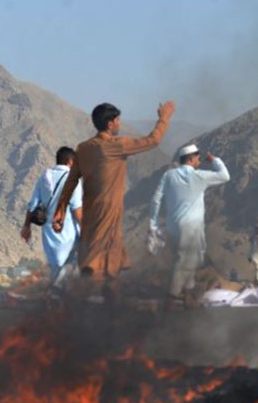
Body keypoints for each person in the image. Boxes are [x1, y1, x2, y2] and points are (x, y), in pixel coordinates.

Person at [53, 101, 175, 306]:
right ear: (110, 124)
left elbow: (70, 182)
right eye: (117, 120)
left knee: (103, 263)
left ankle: (103, 308)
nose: (119, 123)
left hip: (91, 214)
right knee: (101, 267)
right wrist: (164, 117)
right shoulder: (115, 145)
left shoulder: (83, 149)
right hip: (108, 213)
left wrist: (61, 210)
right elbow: (153, 140)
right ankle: (75, 305)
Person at [150, 144, 230, 309]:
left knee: (185, 260)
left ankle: (188, 297)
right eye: (198, 158)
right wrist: (214, 160)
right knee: (184, 262)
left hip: (172, 227)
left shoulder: (168, 176)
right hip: (191, 228)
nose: (200, 161)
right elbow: (225, 176)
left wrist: (154, 223)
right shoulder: (199, 176)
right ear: (191, 159)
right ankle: (170, 299)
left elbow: (156, 199)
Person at [20, 146, 83, 291]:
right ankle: (61, 299)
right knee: (69, 268)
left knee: (56, 267)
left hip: (49, 232)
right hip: (68, 231)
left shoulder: (44, 177)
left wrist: (26, 226)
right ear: (70, 161)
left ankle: (55, 299)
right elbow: (76, 208)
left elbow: (32, 205)